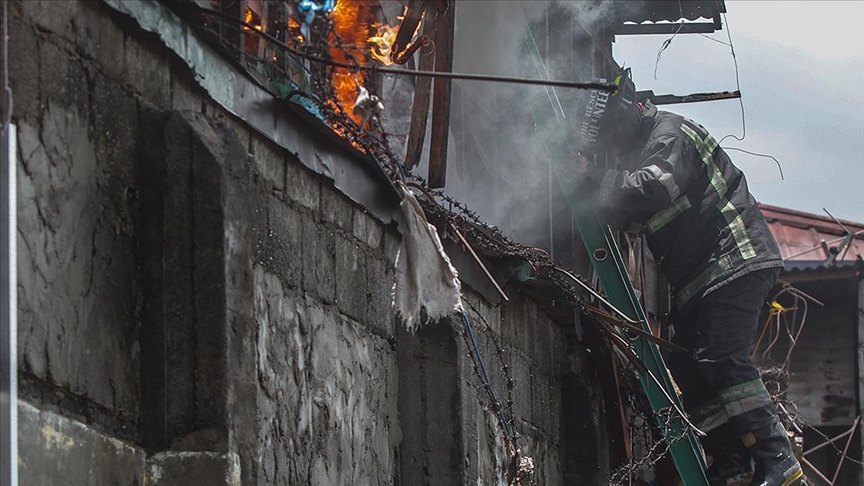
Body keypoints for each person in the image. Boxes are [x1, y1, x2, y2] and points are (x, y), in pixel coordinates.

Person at [569, 68, 807, 486]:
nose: (613, 146)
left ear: (632, 111)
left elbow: (652, 189)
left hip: (735, 262)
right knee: (687, 363)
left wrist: (591, 177)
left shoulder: (670, 135)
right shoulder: (640, 154)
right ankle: (732, 460)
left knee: (722, 355)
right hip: (706, 279)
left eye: (612, 135)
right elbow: (632, 215)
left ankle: (778, 459)